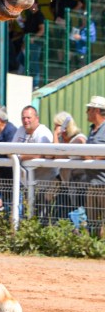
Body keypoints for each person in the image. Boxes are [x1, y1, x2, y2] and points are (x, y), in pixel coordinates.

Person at [15, 105, 59, 220]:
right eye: (23, 118)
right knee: (28, 215)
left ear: (37, 118)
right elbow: (11, 151)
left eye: (29, 117)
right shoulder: (20, 130)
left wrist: (21, 156)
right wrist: (25, 156)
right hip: (27, 183)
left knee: (44, 217)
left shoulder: (43, 133)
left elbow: (42, 154)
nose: (26, 120)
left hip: (45, 184)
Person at [52, 111, 87, 217]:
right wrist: (56, 137)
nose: (55, 129)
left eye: (57, 126)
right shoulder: (61, 140)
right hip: (67, 186)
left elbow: (58, 156)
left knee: (81, 217)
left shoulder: (79, 138)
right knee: (59, 215)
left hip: (81, 186)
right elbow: (50, 154)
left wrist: (55, 135)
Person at [83, 96, 105, 236]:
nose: (87, 112)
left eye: (89, 109)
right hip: (92, 184)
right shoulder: (92, 130)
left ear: (96, 110)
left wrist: (94, 157)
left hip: (103, 184)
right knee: (93, 224)